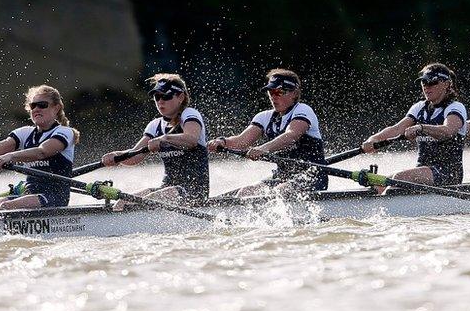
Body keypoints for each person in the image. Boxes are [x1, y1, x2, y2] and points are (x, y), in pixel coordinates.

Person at [206, 69, 327, 197]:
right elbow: (242, 142)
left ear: (294, 93)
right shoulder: (264, 117)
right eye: (271, 92)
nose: (273, 97)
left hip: (312, 177)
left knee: (280, 192)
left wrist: (264, 149)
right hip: (282, 178)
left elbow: (292, 135)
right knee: (245, 193)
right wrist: (222, 141)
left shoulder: (303, 110)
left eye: (279, 92)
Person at [100, 73, 209, 207]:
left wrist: (164, 139)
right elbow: (135, 155)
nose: (160, 101)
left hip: (193, 191)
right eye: (157, 97)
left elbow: (191, 139)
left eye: (166, 96)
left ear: (180, 97)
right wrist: (117, 156)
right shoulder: (155, 125)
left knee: (149, 200)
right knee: (122, 202)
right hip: (166, 188)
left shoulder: (190, 114)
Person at [361, 63, 467, 190]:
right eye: (424, 83)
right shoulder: (420, 107)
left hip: (447, 174)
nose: (427, 87)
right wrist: (373, 139)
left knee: (398, 178)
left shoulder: (455, 107)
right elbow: (397, 129)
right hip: (422, 172)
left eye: (432, 82)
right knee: (378, 185)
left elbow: (448, 131)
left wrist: (421, 128)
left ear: (446, 84)